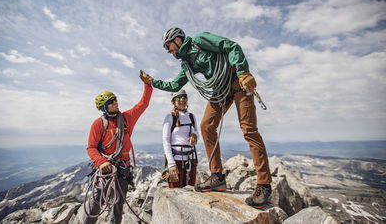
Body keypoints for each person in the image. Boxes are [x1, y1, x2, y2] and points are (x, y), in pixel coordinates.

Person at [140, 27, 272, 208]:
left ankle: (264, 186)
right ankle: (217, 177)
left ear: (177, 40)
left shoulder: (199, 41)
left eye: (168, 46)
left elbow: (231, 46)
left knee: (249, 129)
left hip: (238, 81)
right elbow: (175, 85)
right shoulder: (186, 64)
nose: (168, 51)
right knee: (206, 126)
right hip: (221, 91)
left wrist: (243, 71)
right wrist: (152, 82)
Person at [84, 72, 152, 223]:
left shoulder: (126, 118)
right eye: (111, 101)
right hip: (105, 169)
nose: (116, 102)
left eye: (115, 99)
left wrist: (147, 84)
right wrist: (101, 162)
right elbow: (91, 147)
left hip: (122, 169)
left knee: (117, 207)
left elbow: (143, 104)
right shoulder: (98, 124)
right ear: (104, 106)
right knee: (95, 204)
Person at [162, 89, 199, 188]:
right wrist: (171, 164)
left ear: (187, 100)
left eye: (183, 97)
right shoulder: (170, 117)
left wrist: (194, 136)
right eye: (178, 98)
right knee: (175, 191)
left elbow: (196, 134)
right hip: (176, 160)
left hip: (191, 160)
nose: (181, 100)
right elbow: (166, 142)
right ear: (174, 102)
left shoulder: (191, 116)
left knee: (191, 191)